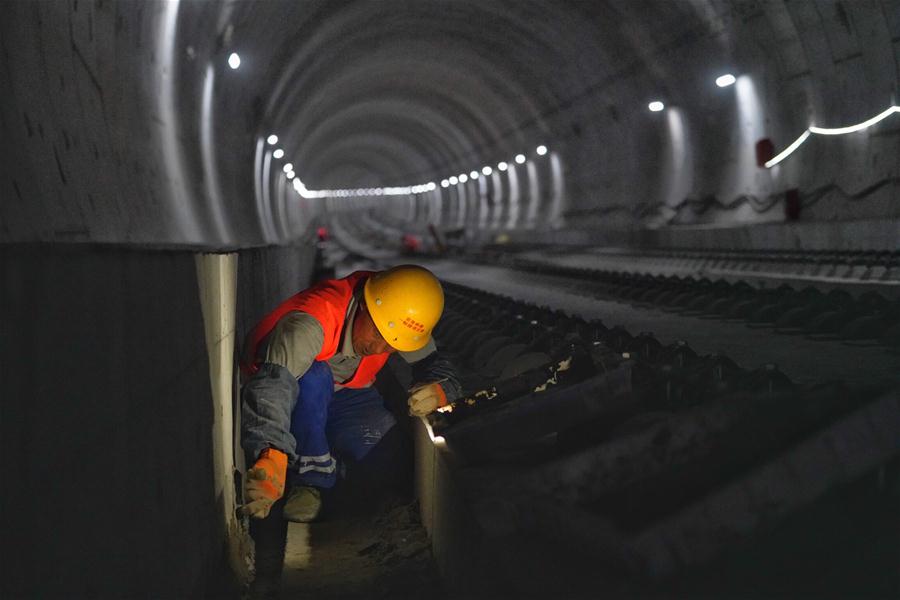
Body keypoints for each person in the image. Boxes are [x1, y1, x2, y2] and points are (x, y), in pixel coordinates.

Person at [239, 264, 460, 522]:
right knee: (314, 376)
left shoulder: (394, 323)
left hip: (346, 394)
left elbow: (437, 365)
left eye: (390, 345)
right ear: (365, 305)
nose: (377, 348)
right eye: (377, 334)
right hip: (297, 392)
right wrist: (270, 453)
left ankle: (332, 467)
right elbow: (272, 387)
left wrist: (441, 389)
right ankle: (310, 482)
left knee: (392, 463)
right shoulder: (312, 322)